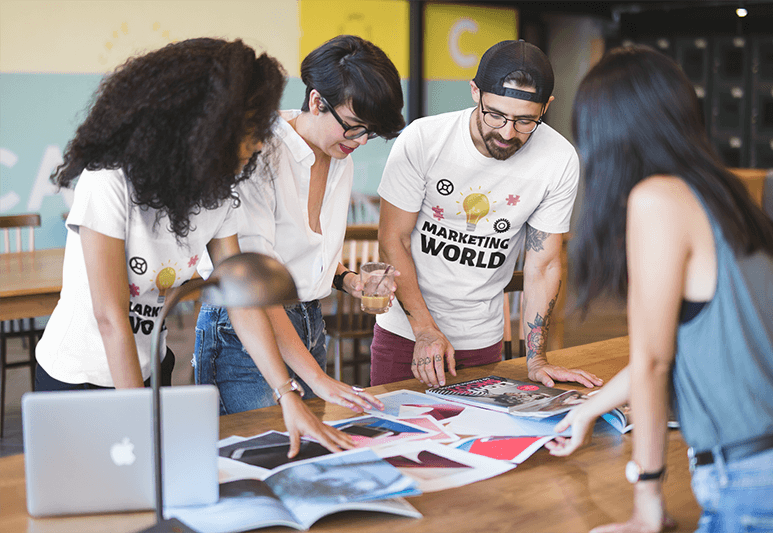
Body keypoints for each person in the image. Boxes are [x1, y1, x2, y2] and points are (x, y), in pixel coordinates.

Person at [36, 38, 356, 456]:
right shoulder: (108, 180)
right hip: (77, 380)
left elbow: (242, 303)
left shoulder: (217, 194)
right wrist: (140, 424)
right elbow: (110, 316)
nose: (260, 143)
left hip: (150, 367)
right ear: (207, 125)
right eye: (251, 129)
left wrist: (287, 394)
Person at [544, 45, 773, 533]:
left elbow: (654, 364)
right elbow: (672, 349)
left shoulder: (656, 199)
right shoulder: (726, 197)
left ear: (607, 134)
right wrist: (589, 410)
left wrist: (647, 501)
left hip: (751, 479)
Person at [371, 39, 603, 390]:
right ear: (475, 92)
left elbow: (543, 265)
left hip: (482, 339)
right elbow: (393, 240)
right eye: (495, 114)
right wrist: (424, 330)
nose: (507, 133)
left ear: (547, 107)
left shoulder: (559, 159)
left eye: (526, 121)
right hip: (406, 333)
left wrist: (536, 357)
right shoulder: (424, 139)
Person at [194, 35, 405, 414]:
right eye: (354, 126)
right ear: (316, 101)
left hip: (308, 319)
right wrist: (318, 379)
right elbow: (255, 286)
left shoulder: (339, 154)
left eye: (368, 132)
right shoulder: (259, 153)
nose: (360, 141)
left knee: (303, 454)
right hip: (243, 327)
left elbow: (306, 253)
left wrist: (350, 281)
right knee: (255, 454)